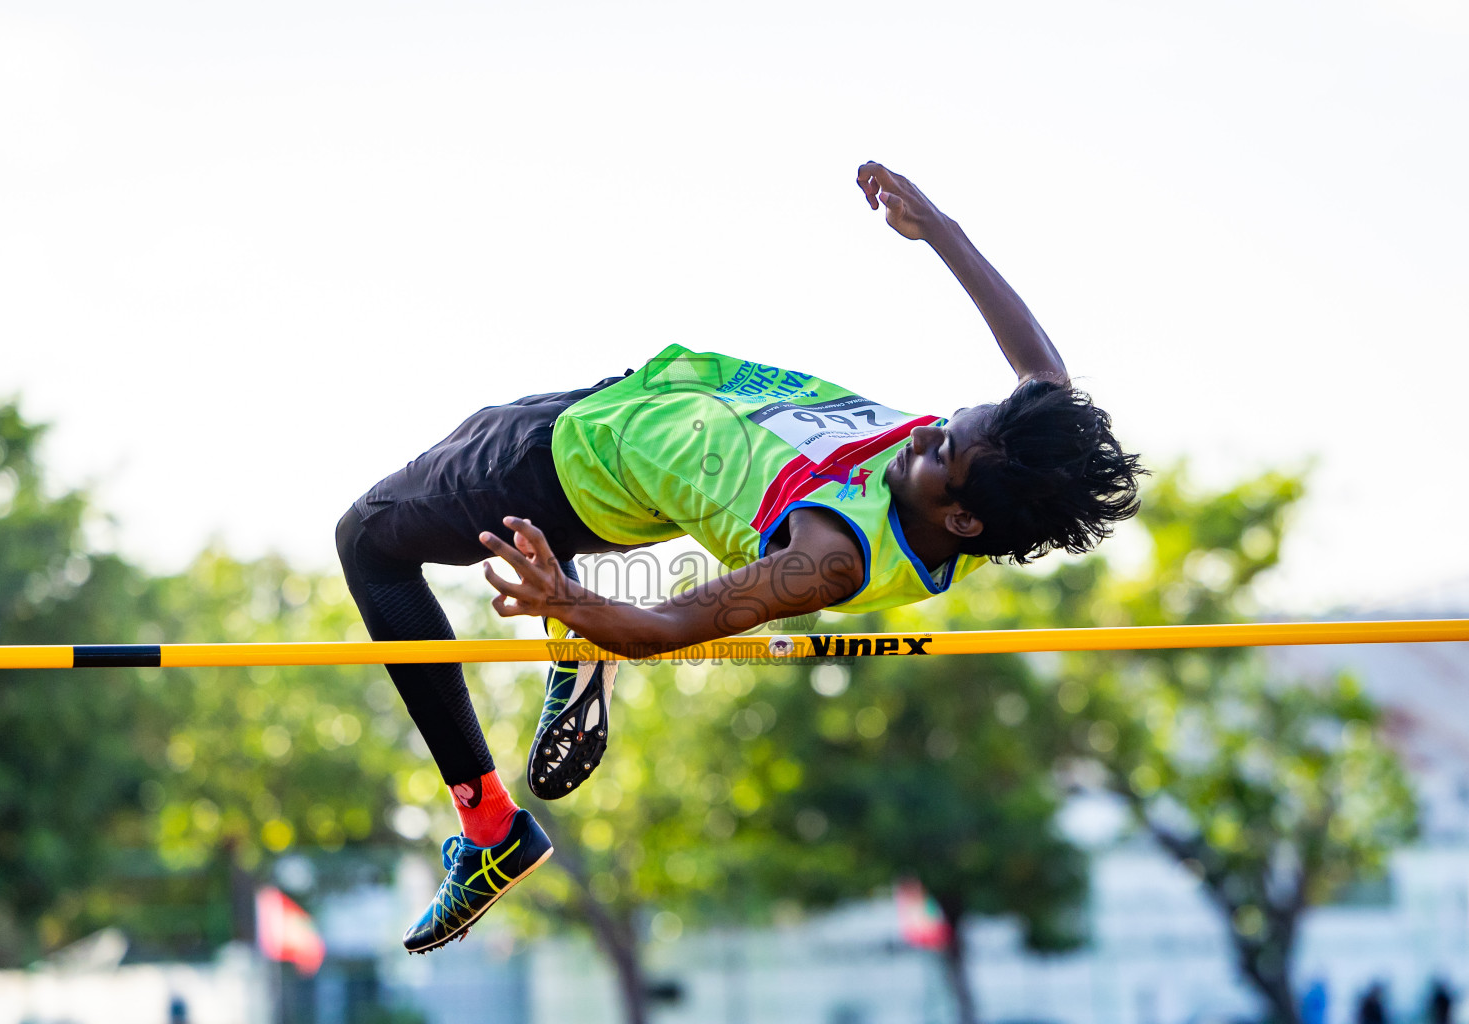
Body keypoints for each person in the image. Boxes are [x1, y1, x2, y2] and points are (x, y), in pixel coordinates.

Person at [336, 161, 1146, 952]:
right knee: (452, 453)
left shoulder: (834, 554)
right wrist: (940, 231)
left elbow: (667, 626)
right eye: (949, 423)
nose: (924, 434)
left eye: (938, 453)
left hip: (574, 470)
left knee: (367, 541)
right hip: (636, 406)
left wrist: (566, 601)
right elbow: (1043, 375)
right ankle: (573, 661)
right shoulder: (1002, 466)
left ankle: (490, 829)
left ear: (963, 520)